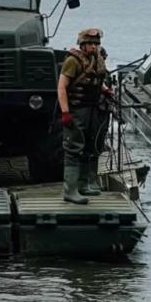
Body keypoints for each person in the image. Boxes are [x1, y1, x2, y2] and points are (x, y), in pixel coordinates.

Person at [57, 28, 112, 205]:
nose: (94, 46)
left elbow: (95, 79)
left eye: (96, 44)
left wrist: (105, 90)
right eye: (90, 43)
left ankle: (83, 185)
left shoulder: (96, 59)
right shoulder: (73, 61)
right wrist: (65, 112)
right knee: (74, 148)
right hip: (76, 110)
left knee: (89, 146)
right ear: (82, 44)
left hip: (92, 108)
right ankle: (70, 190)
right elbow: (62, 87)